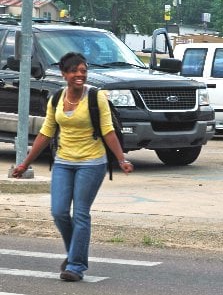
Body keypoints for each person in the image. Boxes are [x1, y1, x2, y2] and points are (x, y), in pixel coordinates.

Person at [12, 52, 134, 281]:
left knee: (80, 214)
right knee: (58, 212)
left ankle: (76, 266)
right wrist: (25, 164)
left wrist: (121, 159)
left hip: (91, 162)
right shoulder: (56, 98)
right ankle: (74, 254)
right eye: (75, 71)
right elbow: (46, 132)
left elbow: (108, 130)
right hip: (63, 162)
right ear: (64, 74)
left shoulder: (96, 97)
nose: (80, 75)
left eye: (83, 71)